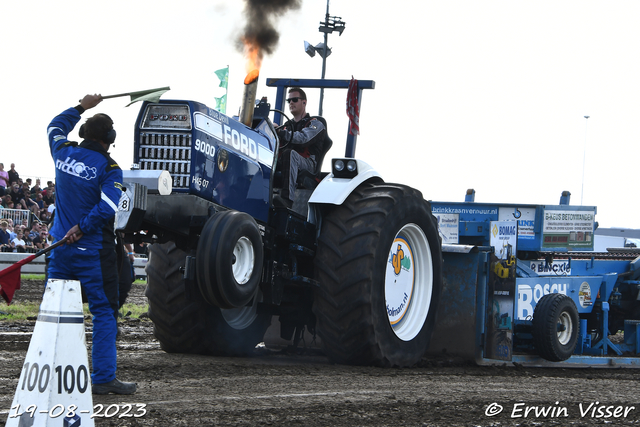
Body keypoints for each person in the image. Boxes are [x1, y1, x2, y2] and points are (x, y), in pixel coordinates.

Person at [46, 93, 136, 395]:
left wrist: (81, 106)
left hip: (59, 248)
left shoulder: (62, 150)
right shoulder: (110, 169)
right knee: (104, 311)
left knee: (55, 311)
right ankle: (103, 378)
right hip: (92, 252)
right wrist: (83, 227)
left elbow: (54, 126)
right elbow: (109, 204)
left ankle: (49, 371)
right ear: (109, 138)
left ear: (84, 133)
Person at [274, 87, 327, 209]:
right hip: (287, 161)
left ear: (304, 102)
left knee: (289, 154)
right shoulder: (286, 126)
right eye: (289, 101)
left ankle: (287, 199)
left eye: (295, 99)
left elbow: (303, 139)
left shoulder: (316, 124)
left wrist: (281, 132)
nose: (291, 103)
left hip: (308, 164)